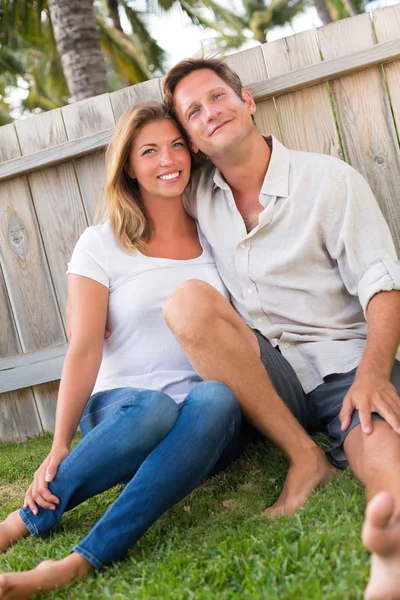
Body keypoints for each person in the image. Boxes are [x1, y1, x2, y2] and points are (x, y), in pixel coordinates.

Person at [160, 57, 400, 600]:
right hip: (266, 379)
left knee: (374, 427)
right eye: (193, 112)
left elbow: (382, 284)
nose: (209, 112)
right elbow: (132, 220)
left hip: (341, 362)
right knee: (186, 303)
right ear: (193, 141)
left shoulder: (329, 180)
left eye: (217, 97)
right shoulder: (196, 196)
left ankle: (392, 528)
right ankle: (306, 457)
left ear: (247, 102)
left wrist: (373, 373)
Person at [0, 101, 244, 600]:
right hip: (126, 412)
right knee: (153, 408)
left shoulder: (217, 234)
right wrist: (61, 444)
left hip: (202, 424)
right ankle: (27, 519)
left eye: (177, 145)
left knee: (218, 397)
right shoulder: (100, 245)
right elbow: (84, 349)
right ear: (129, 167)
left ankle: (78, 561)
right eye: (149, 150)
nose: (167, 159)